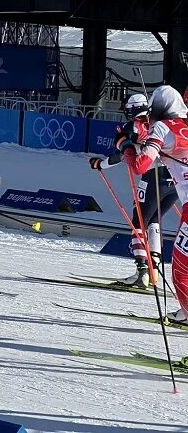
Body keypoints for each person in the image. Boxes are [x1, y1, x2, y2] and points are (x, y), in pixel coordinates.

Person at [119, 85, 188, 324]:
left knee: (180, 272)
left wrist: (125, 147)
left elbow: (139, 165)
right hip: (174, 188)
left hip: (156, 181)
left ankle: (144, 270)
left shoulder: (159, 126)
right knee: (154, 222)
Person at [89, 94, 171, 288]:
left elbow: (120, 156)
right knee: (154, 221)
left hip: (153, 177)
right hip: (174, 180)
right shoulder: (163, 123)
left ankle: (142, 270)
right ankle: (154, 270)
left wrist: (99, 164)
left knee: (138, 221)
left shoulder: (132, 126)